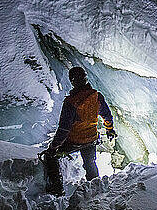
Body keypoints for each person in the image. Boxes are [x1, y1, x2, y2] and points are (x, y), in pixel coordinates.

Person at [38, 66, 116, 196]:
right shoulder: (97, 96)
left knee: (50, 156)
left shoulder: (71, 102)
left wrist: (53, 147)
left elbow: (64, 129)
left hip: (75, 140)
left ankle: (57, 189)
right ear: (85, 79)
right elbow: (107, 116)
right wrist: (110, 130)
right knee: (90, 163)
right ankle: (95, 187)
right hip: (91, 138)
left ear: (72, 81)